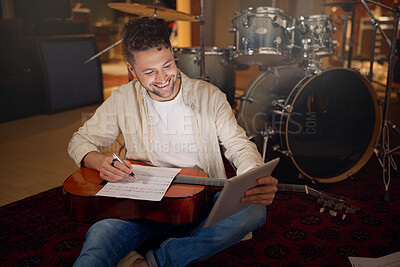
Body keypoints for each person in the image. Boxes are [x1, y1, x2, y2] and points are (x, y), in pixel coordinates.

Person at [68, 17, 278, 267]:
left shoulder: (209, 96)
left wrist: (252, 176)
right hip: (144, 209)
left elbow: (238, 144)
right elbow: (79, 141)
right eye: (149, 72)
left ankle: (151, 262)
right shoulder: (122, 99)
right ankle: (190, 245)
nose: (162, 78)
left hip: (202, 204)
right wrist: (99, 160)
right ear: (131, 70)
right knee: (100, 234)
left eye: (167, 65)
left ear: (173, 55)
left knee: (254, 211)